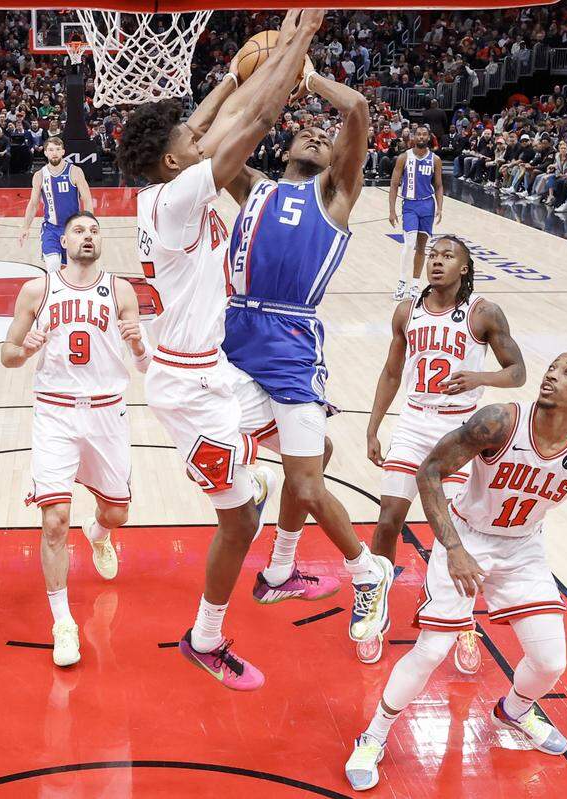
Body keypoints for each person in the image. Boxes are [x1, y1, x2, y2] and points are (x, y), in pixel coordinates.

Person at [114, 9, 324, 690]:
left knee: (312, 452)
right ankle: (204, 638)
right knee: (238, 522)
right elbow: (253, 123)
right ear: (175, 161)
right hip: (190, 389)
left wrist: (233, 74)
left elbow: (204, 127)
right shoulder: (177, 199)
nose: (199, 132)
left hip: (216, 368)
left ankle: (284, 564)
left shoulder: (169, 178)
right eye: (188, 137)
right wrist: (299, 39)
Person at [345, 352, 567, 791]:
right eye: (552, 366)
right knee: (433, 650)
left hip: (523, 548)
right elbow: (430, 471)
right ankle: (372, 735)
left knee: (550, 662)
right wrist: (452, 548)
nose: (551, 374)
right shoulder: (499, 421)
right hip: (468, 535)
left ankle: (513, 710)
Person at [221, 72, 394, 646]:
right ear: (284, 145)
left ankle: (368, 573)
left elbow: (360, 111)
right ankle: (278, 572)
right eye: (306, 130)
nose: (317, 136)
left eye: (325, 133)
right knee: (238, 444)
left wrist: (310, 78)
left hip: (292, 342)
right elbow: (218, 140)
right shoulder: (254, 188)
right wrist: (248, 83)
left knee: (309, 481)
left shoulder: (334, 193)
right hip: (236, 332)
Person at [362, 236, 525, 666]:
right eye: (432, 255)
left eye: (447, 256)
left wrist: (480, 377)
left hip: (458, 432)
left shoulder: (483, 313)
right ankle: (374, 605)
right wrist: (374, 426)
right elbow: (392, 371)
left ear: (465, 268)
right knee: (387, 520)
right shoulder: (407, 311)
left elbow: (519, 373)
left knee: (454, 532)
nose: (436, 262)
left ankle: (461, 619)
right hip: (414, 423)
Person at [0, 211, 149, 667]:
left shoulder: (121, 290)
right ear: (62, 240)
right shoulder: (38, 289)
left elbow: (144, 366)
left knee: (118, 511)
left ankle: (100, 534)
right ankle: (63, 621)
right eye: (79, 231)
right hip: (56, 414)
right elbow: (7, 355)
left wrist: (140, 346)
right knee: (54, 522)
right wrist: (25, 349)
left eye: (94, 231)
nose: (88, 236)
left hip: (107, 413)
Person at [18, 137, 93, 272]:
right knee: (53, 266)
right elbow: (33, 203)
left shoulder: (75, 171)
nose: (54, 153)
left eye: (58, 149)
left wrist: (89, 224)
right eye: (51, 150)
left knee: (75, 269)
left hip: (73, 228)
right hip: (51, 229)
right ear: (45, 152)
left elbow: (87, 199)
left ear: (63, 151)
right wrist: (25, 227)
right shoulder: (39, 175)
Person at [389, 125, 443, 300]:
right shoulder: (404, 157)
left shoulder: (435, 159)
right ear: (414, 137)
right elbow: (393, 184)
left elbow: (439, 185)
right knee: (409, 244)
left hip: (428, 205)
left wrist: (440, 207)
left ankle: (415, 285)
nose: (421, 137)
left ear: (428, 137)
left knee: (421, 247)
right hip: (410, 205)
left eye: (424, 134)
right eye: (418, 134)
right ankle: (401, 282)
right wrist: (392, 209)